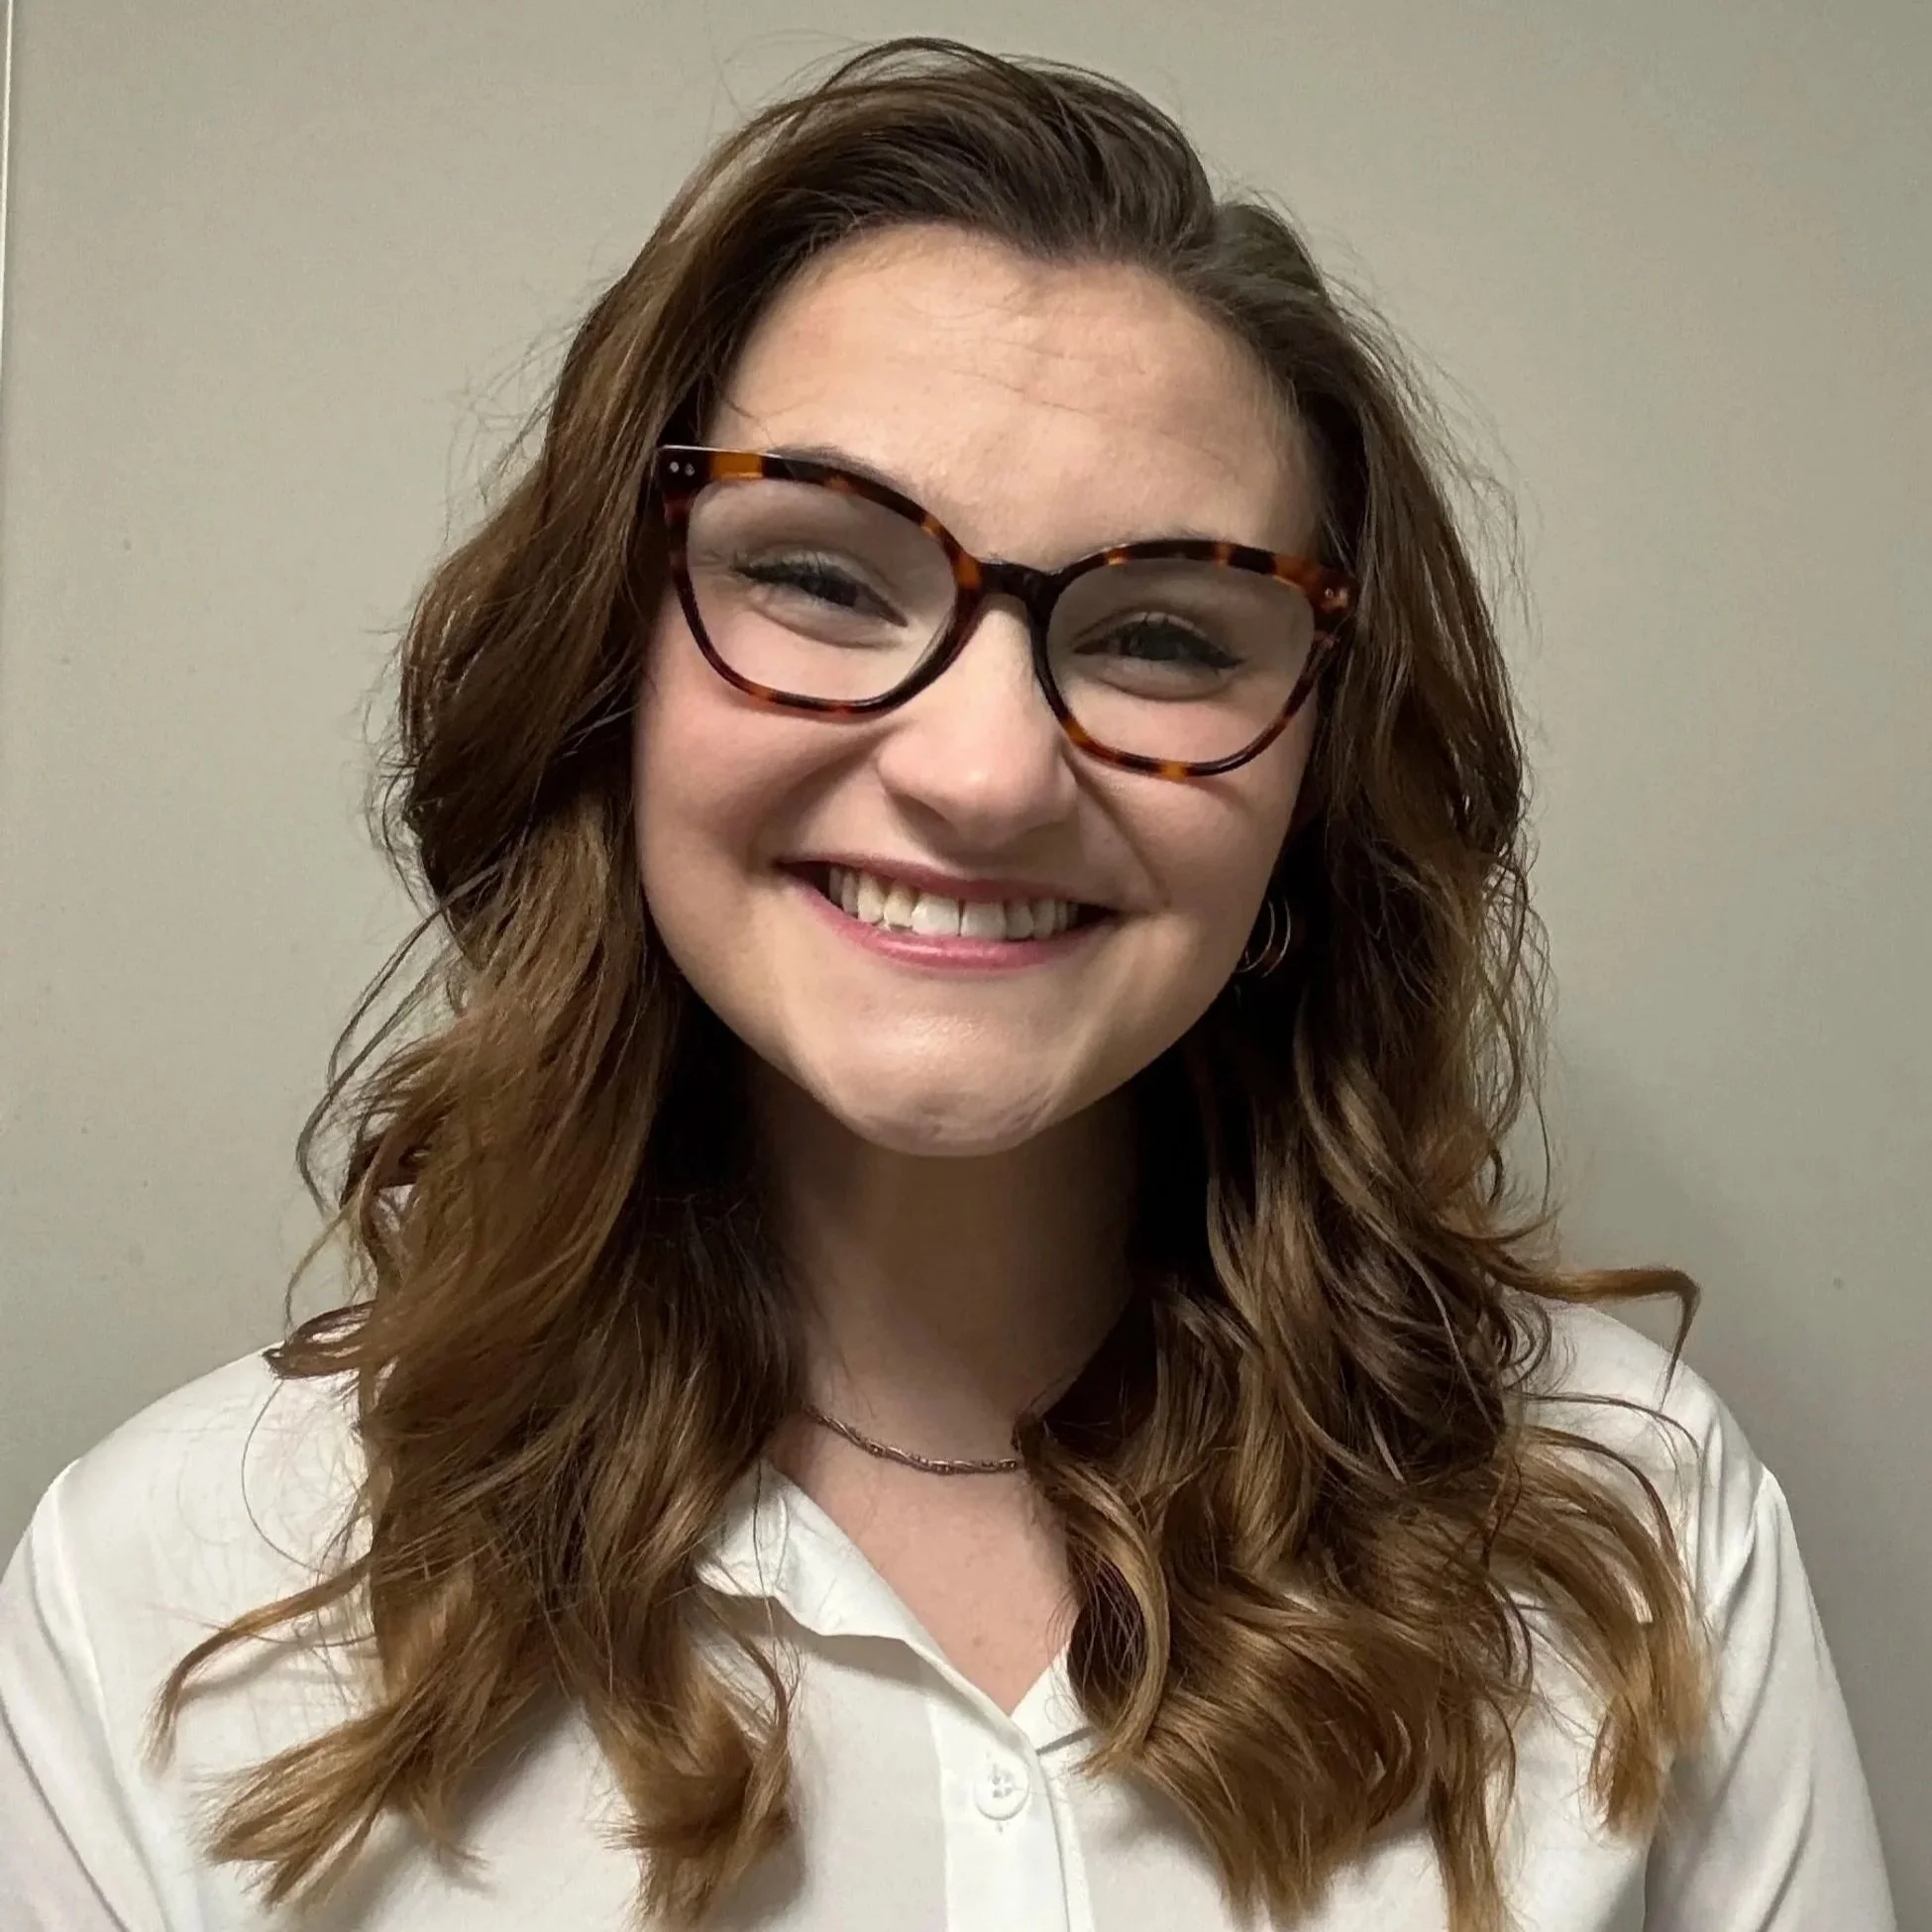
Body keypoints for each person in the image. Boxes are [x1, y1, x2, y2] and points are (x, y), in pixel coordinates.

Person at [0, 35, 1896, 1932]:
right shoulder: (168, 1598)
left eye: (1166, 636)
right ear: (608, 668)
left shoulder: (1633, 1530)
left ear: (1312, 793)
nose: (984, 774)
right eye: (821, 578)